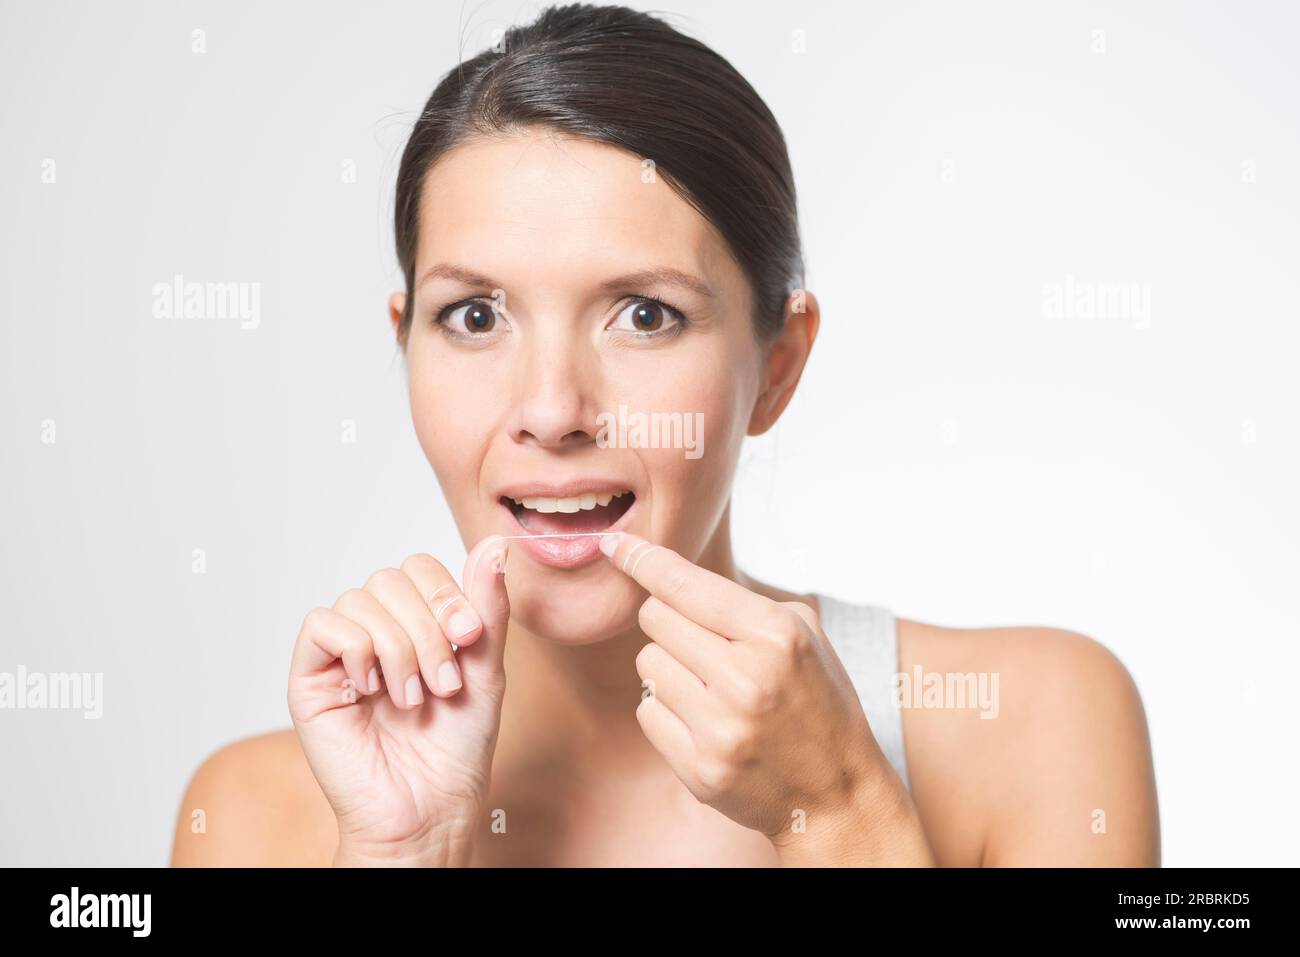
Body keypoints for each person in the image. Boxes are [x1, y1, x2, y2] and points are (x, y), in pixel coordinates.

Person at [171, 3, 1159, 867]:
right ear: (406, 344)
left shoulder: (1032, 728)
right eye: (474, 316)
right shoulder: (261, 816)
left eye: (644, 314)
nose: (553, 410)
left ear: (777, 365)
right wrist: (407, 855)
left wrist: (843, 814)